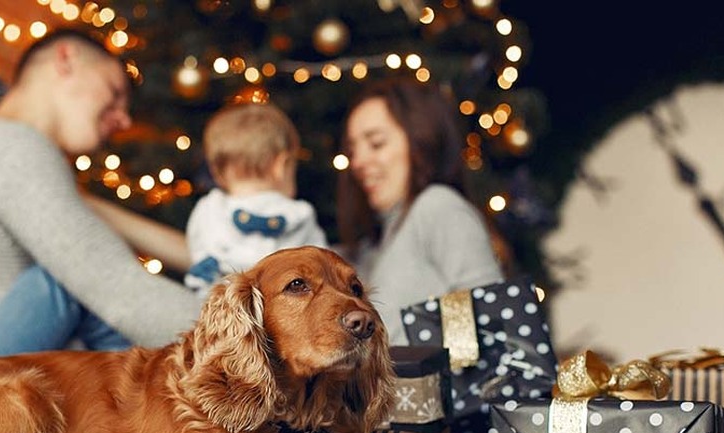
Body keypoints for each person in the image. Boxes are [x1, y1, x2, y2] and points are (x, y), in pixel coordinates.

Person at [0, 28, 202, 368]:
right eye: (114, 92)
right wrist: (250, 337)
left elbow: (166, 255)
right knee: (73, 284)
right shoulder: (8, 145)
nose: (124, 118)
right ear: (66, 59)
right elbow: (119, 289)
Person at [336, 76, 505, 345]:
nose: (358, 161)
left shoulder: (437, 207)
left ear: (421, 140)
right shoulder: (375, 247)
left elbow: (490, 322)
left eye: (376, 143)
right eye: (352, 150)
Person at [183, 102, 328, 296]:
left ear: (217, 174)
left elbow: (198, 255)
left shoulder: (208, 209)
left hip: (224, 312)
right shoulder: (300, 215)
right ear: (282, 166)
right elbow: (324, 268)